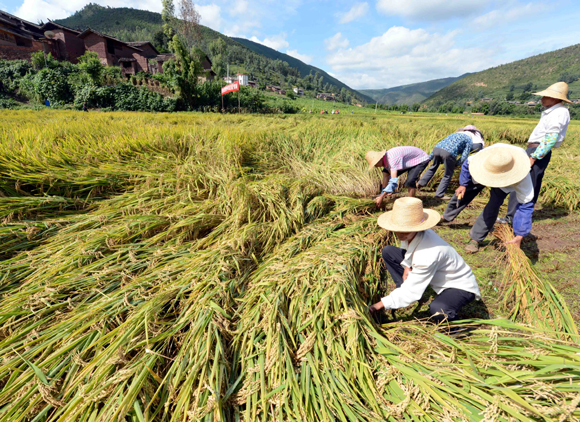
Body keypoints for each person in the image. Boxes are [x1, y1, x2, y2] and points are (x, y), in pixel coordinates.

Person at [368, 197, 481, 323]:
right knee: (389, 252)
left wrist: (377, 306)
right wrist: (407, 265)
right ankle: (402, 290)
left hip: (458, 285)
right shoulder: (417, 232)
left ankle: (456, 330)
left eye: (405, 230)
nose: (400, 233)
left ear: (417, 227)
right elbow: (407, 245)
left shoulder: (428, 254)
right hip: (433, 270)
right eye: (398, 228)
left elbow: (412, 291)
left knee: (439, 309)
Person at [498, 82, 571, 226]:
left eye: (546, 96)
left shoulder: (560, 112)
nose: (542, 99)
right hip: (534, 150)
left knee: (524, 184)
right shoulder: (552, 111)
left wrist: (534, 157)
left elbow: (551, 138)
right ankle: (516, 217)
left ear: (556, 98)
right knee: (524, 182)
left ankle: (514, 219)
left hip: (537, 151)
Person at [463, 144, 534, 253]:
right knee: (492, 205)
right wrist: (463, 184)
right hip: (494, 175)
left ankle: (516, 237)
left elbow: (525, 206)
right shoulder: (483, 158)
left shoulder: (522, 176)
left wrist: (520, 235)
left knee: (517, 208)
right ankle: (476, 238)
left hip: (515, 177)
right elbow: (466, 164)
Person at [365, 146, 430, 206]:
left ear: (379, 159)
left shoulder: (392, 160)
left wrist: (381, 197)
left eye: (375, 164)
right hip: (408, 161)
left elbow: (393, 181)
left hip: (420, 159)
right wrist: (385, 192)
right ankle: (384, 195)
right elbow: (388, 174)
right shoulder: (385, 159)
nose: (376, 166)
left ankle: (411, 205)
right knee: (385, 172)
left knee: (410, 181)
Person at [418, 131, 473, 200]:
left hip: (437, 149)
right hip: (449, 153)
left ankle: (419, 184)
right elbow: (464, 155)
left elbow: (441, 143)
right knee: (448, 174)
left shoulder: (454, 134)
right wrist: (457, 164)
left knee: (433, 167)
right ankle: (439, 194)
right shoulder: (469, 140)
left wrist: (430, 157)